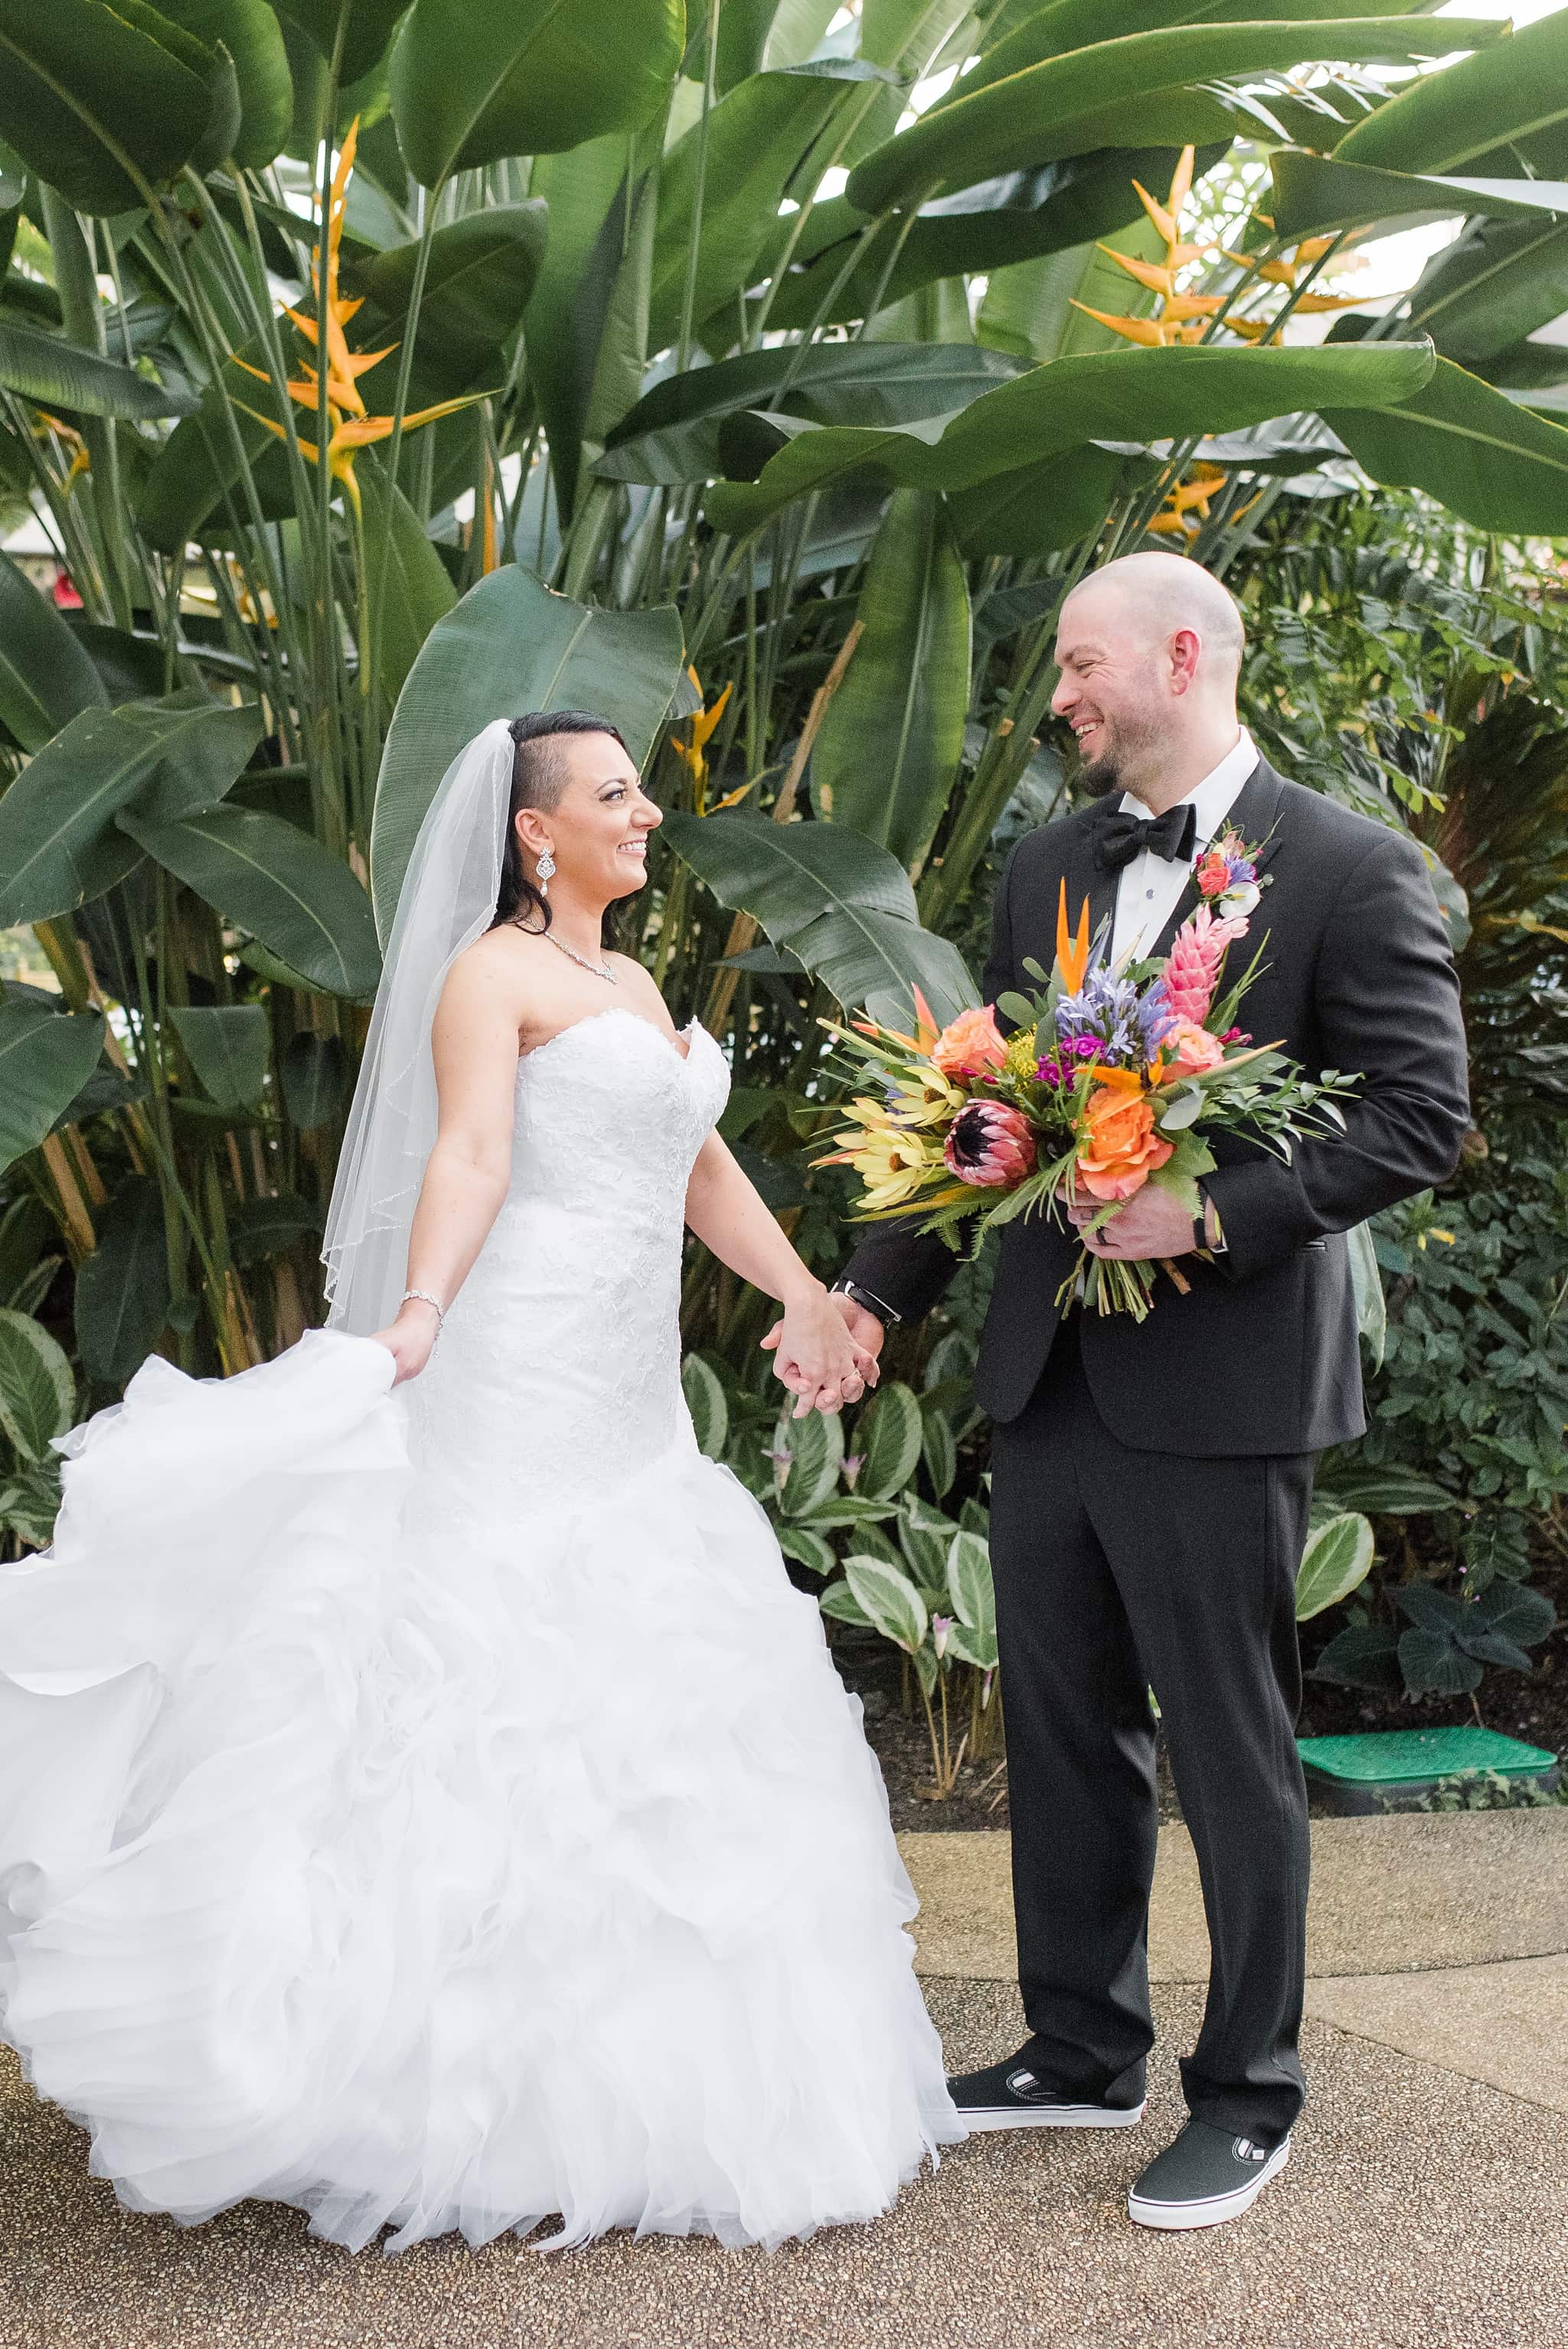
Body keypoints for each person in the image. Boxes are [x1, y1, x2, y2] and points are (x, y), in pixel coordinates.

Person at [0, 711, 961, 2255]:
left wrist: (801, 1295)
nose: (646, 812)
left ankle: (655, 2076)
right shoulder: (487, 977)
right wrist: (423, 1314)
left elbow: (699, 1167)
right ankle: (432, 2095)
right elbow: (468, 1158)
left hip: (630, 1397)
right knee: (491, 1671)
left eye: (638, 791)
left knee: (653, 1682)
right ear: (535, 832)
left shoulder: (635, 985)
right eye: (615, 794)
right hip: (516, 1363)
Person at [779, 550, 1471, 2233]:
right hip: (1051, 1376)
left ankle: (1248, 2093)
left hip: (1220, 1385)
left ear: (1181, 655)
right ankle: (1079, 2048)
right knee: (1062, 1727)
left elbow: (1417, 1116)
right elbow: (989, 1122)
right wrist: (871, 1295)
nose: (1063, 698)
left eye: (1083, 667)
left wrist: (1212, 1213)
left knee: (1227, 1751)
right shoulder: (1047, 864)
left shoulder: (1350, 869)